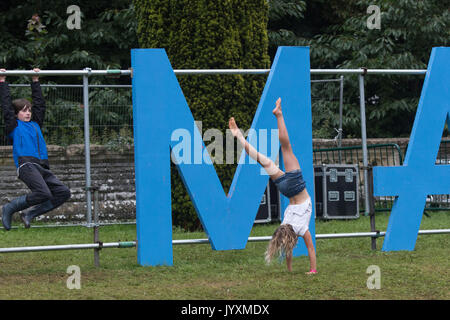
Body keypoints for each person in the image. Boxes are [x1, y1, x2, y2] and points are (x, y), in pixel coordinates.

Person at [229, 97, 317, 274]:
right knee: (263, 158)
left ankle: (277, 116)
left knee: (285, 147)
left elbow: (311, 249)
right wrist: (309, 271)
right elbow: (297, 248)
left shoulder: (296, 228)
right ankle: (241, 134)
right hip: (286, 188)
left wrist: (312, 269)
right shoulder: (286, 224)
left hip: (294, 187)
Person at [0, 68, 71, 230]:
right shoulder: (14, 126)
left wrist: (35, 80)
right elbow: (6, 106)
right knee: (44, 193)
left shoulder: (35, 124)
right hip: (26, 165)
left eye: (29, 110)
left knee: (63, 192)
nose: (28, 113)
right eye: (24, 110)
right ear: (16, 113)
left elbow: (40, 105)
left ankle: (29, 214)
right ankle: (9, 208)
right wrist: (2, 82)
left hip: (42, 165)